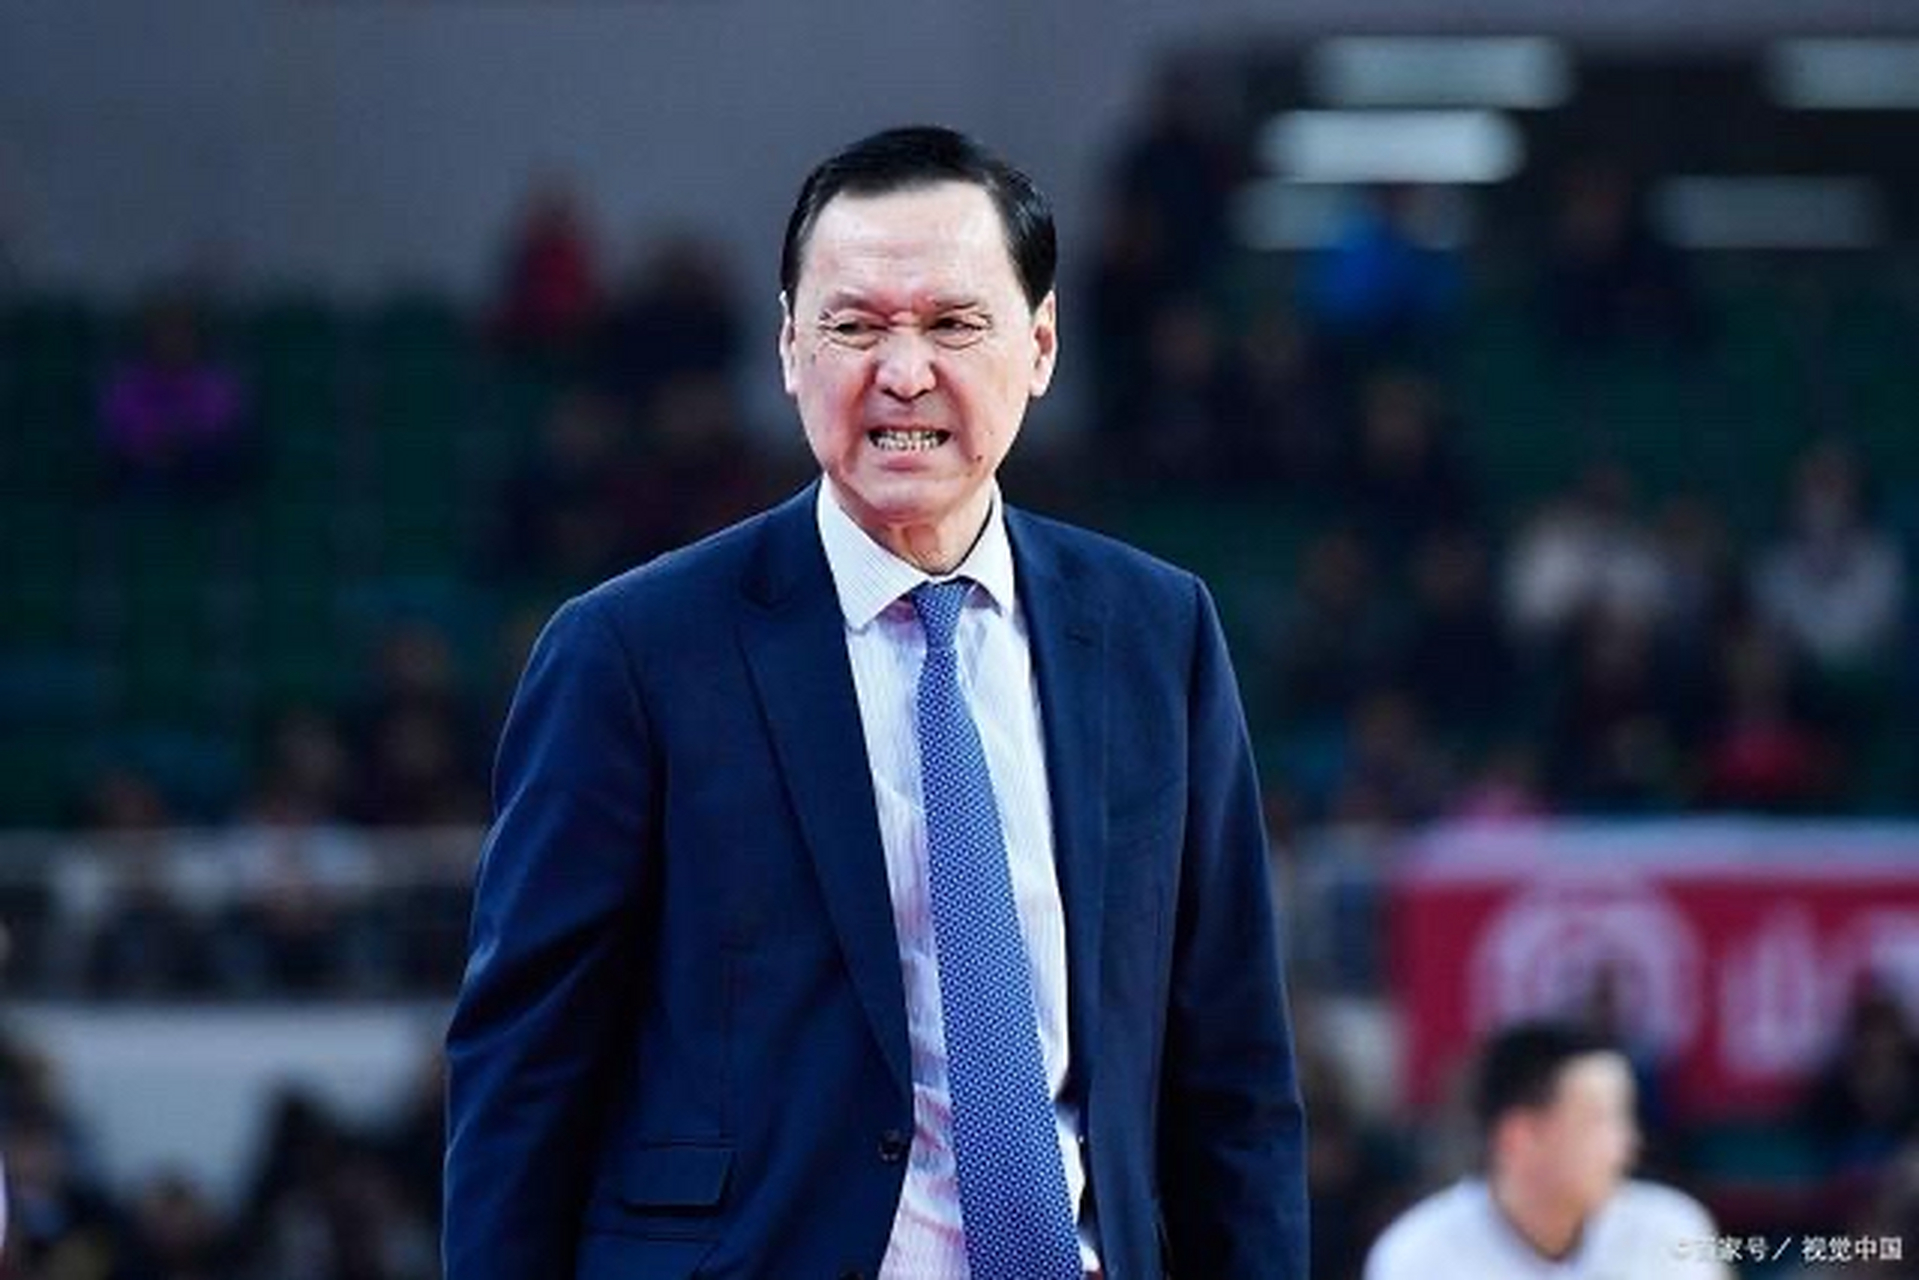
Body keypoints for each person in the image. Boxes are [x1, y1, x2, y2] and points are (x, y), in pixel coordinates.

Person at [443, 126, 1307, 1279]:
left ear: (1040, 344)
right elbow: (524, 1072)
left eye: (952, 324)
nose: (903, 372)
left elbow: (1233, 1075)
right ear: (788, 348)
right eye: (854, 326)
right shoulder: (631, 653)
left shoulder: (1157, 633)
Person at [1365, 1021, 1730, 1280]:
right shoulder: (1419, 1255)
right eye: (1600, 1120)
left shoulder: (1674, 1229)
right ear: (1520, 1135)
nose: (1627, 1142)